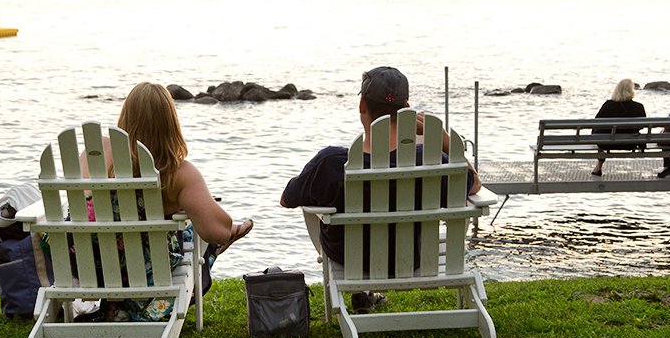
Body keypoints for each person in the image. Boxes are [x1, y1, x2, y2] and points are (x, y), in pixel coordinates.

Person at [280, 66, 481, 314]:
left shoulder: (330, 162)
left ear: (362, 105)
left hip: (350, 260)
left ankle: (360, 291)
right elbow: (475, 183)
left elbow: (287, 199)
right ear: (407, 109)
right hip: (412, 260)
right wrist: (443, 140)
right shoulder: (432, 163)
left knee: (313, 193)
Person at [78, 82, 253, 321]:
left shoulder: (95, 153)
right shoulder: (179, 172)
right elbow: (218, 232)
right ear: (170, 123)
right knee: (197, 233)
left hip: (91, 268)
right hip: (147, 275)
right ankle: (140, 307)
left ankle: (116, 305)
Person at [590, 78, 646, 176]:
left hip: (606, 143)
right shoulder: (638, 107)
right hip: (629, 143)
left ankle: (599, 166)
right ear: (631, 91)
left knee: (600, 133)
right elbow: (642, 125)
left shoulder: (608, 105)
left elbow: (596, 122)